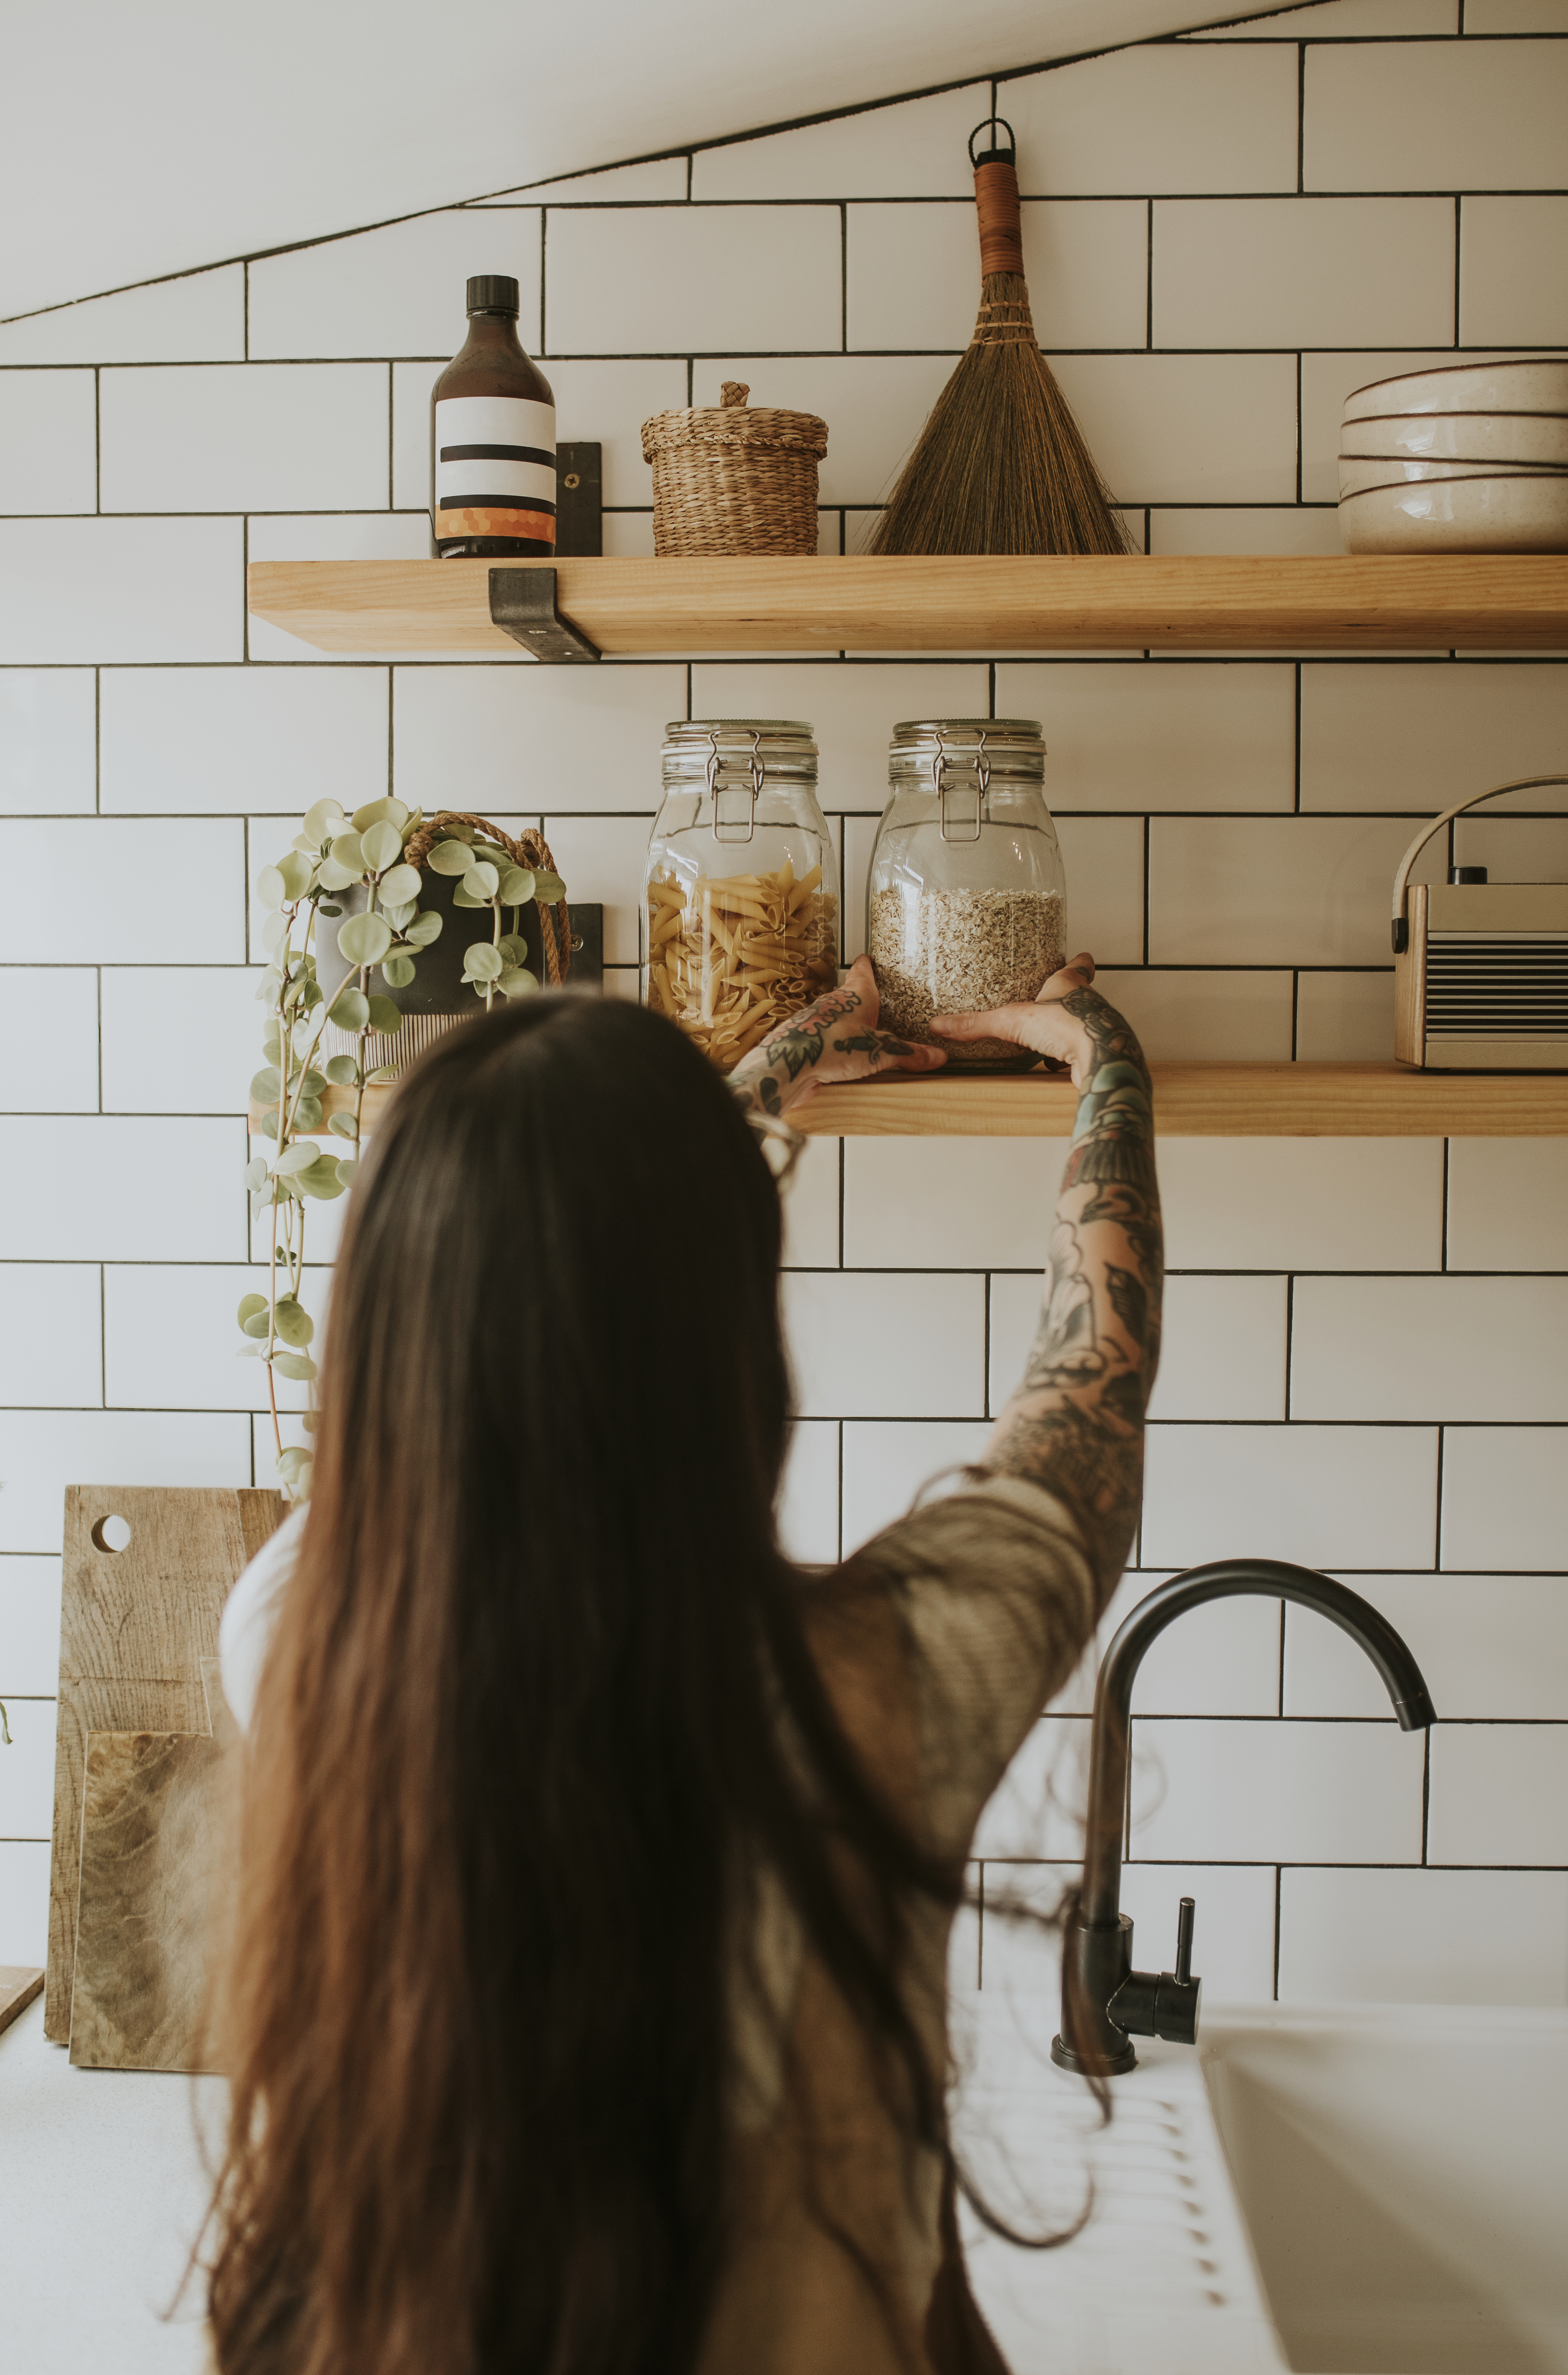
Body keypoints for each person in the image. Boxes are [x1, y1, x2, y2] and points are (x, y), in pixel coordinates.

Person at [209, 948, 1161, 2375]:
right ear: (738, 1353)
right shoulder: (906, 1678)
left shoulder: (299, 1644)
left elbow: (566, 1274)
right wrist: (1099, 1055)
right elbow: (1092, 1375)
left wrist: (786, 1059)